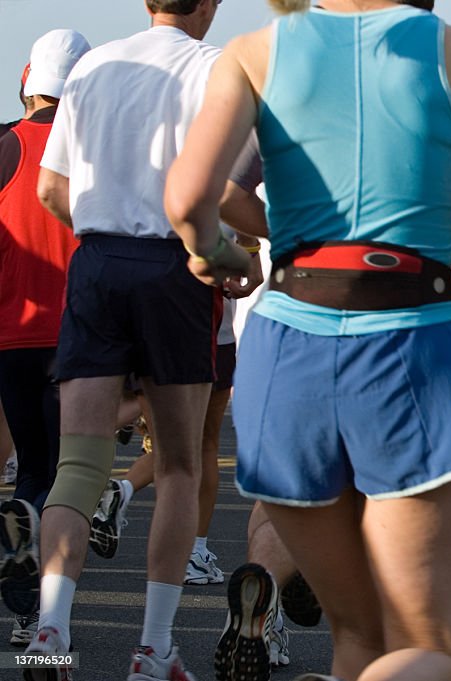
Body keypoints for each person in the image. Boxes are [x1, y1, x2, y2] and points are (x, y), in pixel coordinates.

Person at [164, 3, 451, 681]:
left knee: (364, 633)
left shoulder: (255, 52)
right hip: (413, 341)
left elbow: (186, 199)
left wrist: (220, 255)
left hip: (288, 346)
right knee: (432, 646)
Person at [29, 2, 265, 679]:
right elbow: (225, 194)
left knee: (78, 463)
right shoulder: (221, 68)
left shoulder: (95, 64)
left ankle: (50, 630)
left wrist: (106, 223)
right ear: (210, 4)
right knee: (181, 465)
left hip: (98, 262)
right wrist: (239, 254)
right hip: (175, 268)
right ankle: (153, 647)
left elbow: (51, 187)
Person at [0, 28, 90, 647]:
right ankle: (42, 622)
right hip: (75, 339)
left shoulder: (4, 146)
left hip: (9, 334)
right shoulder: (93, 150)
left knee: (30, 462)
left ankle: (31, 610)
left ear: (28, 81)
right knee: (63, 475)